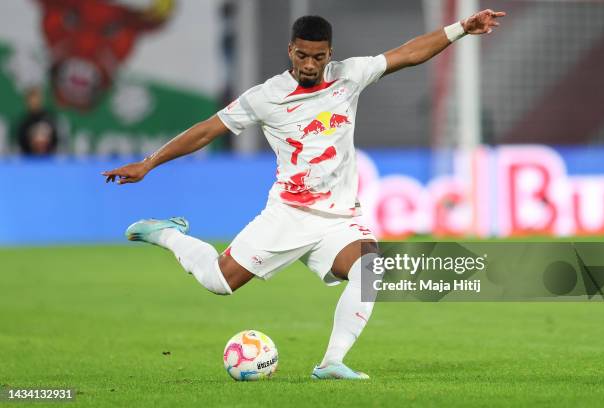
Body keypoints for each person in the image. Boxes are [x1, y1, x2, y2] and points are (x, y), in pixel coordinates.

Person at [102, 10, 505, 380]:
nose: (309, 65)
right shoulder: (266, 96)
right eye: (302, 56)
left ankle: (331, 362)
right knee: (218, 282)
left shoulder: (350, 75)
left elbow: (409, 53)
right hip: (289, 214)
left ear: (330, 53)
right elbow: (207, 130)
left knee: (370, 271)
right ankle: (168, 233)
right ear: (290, 51)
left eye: (318, 57)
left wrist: (460, 30)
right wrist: (148, 163)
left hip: (341, 218)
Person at [17, 87, 58, 155]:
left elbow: (55, 140)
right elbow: (21, 143)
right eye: (31, 100)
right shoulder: (24, 122)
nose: (34, 102)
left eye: (36, 99)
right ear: (27, 101)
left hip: (48, 159)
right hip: (29, 160)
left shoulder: (49, 118)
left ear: (41, 100)